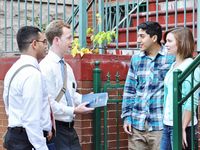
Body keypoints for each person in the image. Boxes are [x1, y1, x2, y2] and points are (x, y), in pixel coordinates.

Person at [39, 20, 94, 150]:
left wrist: (86, 99)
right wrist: (74, 110)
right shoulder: (46, 67)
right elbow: (49, 104)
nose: (72, 42)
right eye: (69, 38)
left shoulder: (67, 67)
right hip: (56, 130)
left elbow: (70, 94)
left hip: (70, 130)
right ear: (57, 40)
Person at [121, 21, 175, 150]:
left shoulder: (170, 58)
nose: (138, 40)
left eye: (142, 36)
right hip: (137, 125)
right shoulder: (136, 59)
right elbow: (130, 90)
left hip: (160, 125)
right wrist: (127, 117)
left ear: (154, 38)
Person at [3, 26, 52, 150]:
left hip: (16, 135)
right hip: (27, 141)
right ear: (34, 44)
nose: (47, 46)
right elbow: (31, 119)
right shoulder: (32, 74)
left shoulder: (14, 69)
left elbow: (7, 102)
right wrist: (41, 147)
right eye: (44, 42)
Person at [160, 27, 200, 150]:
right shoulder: (174, 65)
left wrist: (182, 127)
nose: (166, 44)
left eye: (169, 41)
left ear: (181, 43)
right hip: (168, 124)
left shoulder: (191, 67)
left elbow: (192, 100)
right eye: (166, 41)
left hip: (181, 126)